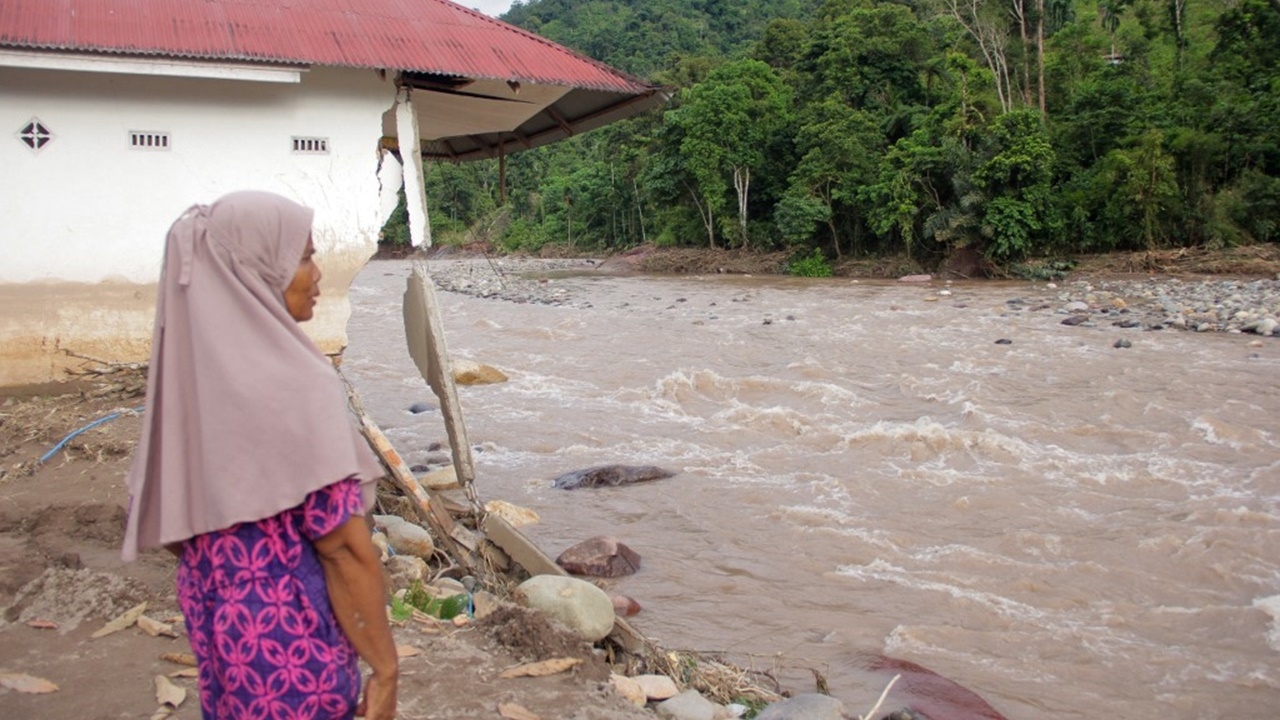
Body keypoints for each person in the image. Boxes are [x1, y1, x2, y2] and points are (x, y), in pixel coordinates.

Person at [121, 190, 398, 720]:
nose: (316, 274)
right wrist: (385, 670)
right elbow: (343, 548)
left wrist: (239, 574)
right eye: (303, 256)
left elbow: (169, 520)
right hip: (295, 654)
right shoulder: (298, 385)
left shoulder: (187, 384)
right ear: (252, 270)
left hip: (221, 643)